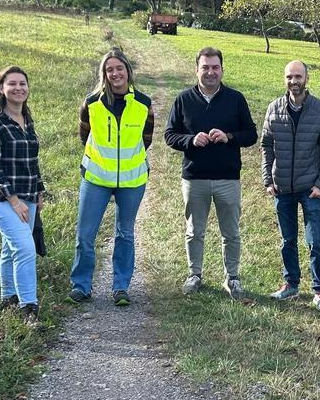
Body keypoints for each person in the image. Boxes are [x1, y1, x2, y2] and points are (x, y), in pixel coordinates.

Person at [164, 47, 258, 298]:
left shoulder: (235, 99)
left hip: (228, 178)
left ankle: (232, 278)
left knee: (231, 232)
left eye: (215, 67)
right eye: (205, 67)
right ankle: (194, 275)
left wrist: (228, 137)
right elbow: (170, 135)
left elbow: (251, 135)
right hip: (195, 178)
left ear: (222, 70)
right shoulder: (183, 99)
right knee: (195, 231)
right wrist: (191, 140)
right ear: (196, 70)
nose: (210, 72)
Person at [68, 49, 154, 306]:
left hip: (132, 180)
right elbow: (85, 137)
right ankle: (81, 286)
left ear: (128, 71)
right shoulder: (91, 103)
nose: (115, 73)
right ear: (104, 74)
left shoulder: (144, 104)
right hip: (95, 179)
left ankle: (120, 287)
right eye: (109, 69)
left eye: (119, 68)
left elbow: (146, 140)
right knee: (85, 234)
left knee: (125, 234)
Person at [261, 60, 320, 311]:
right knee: (287, 240)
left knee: (315, 241)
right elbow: (266, 146)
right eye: (289, 77)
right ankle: (291, 284)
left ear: (307, 78)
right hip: (282, 187)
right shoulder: (274, 109)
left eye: (298, 76)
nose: (293, 81)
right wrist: (268, 179)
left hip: (310, 188)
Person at [0, 65, 45, 322]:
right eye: (12, 84)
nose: (18, 88)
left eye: (22, 84)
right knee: (25, 248)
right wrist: (14, 201)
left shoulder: (26, 120)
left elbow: (32, 160)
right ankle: (29, 309)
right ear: (1, 89)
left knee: (11, 247)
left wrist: (39, 191)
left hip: (28, 194)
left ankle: (8, 298)